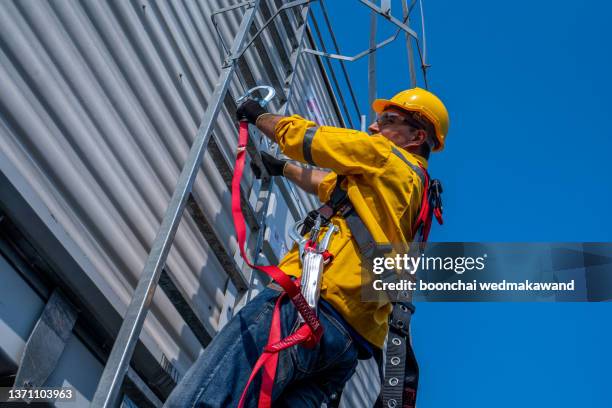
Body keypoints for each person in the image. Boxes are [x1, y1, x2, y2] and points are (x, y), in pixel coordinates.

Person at [163, 87, 449, 408]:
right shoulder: (414, 194)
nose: (374, 127)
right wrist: (282, 167)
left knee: (202, 401)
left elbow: (312, 140)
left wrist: (258, 115)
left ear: (416, 136)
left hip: (305, 307)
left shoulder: (385, 156)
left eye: (387, 120)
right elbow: (326, 184)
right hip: (344, 347)